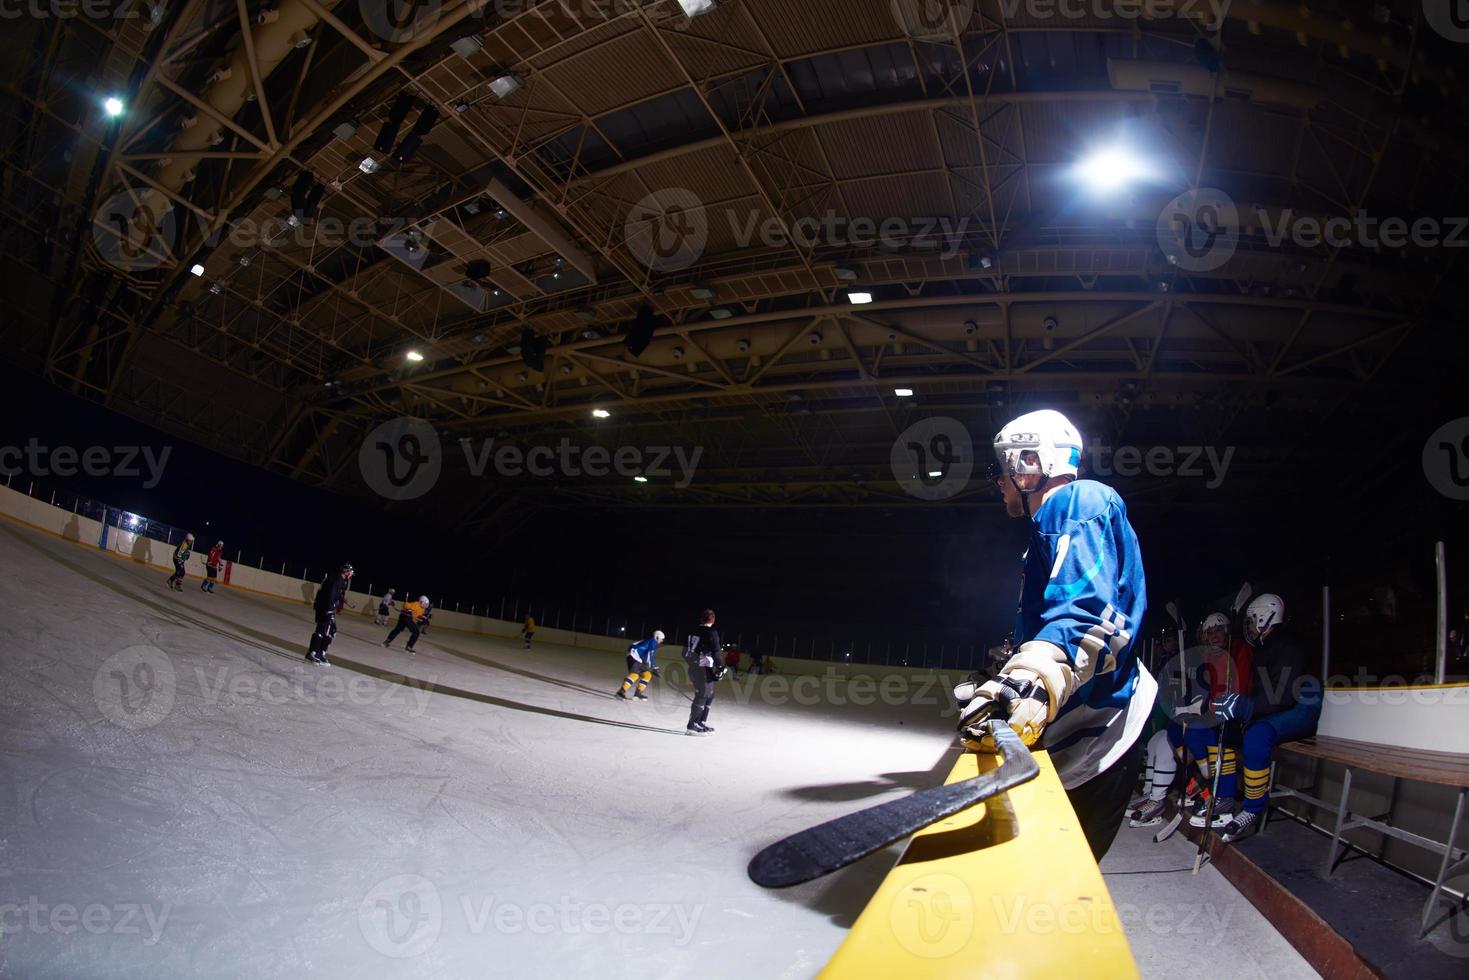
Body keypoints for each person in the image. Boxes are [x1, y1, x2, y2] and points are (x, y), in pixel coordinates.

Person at [954, 409, 1155, 860]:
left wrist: (1029, 681)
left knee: (1050, 884)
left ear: (1030, 463)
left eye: (1001, 467)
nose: (998, 480)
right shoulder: (1053, 526)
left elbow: (1087, 616)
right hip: (1086, 729)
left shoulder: (1077, 502)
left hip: (1099, 733)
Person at [1192, 594, 1322, 843]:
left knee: (1256, 735)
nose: (1250, 627)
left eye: (1252, 621)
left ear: (1265, 617)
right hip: (1278, 707)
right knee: (1226, 731)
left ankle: (1253, 808)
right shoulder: (1263, 647)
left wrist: (1245, 705)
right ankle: (1225, 796)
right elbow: (1263, 692)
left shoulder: (1288, 644)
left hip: (1301, 707)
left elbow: (1283, 695)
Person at [682, 609, 723, 735]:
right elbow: (716, 651)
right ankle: (692, 725)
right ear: (713, 620)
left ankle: (700, 722)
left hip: (696, 667)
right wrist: (720, 666)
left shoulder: (693, 630)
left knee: (709, 694)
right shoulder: (711, 632)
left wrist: (692, 663)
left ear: (701, 619)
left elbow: (684, 652)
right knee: (703, 694)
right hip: (702, 666)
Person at [306, 562, 354, 666]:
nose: (351, 575)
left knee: (332, 631)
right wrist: (329, 609)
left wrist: (341, 598)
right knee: (322, 631)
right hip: (325, 608)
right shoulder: (337, 580)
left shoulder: (338, 579)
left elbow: (333, 592)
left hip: (326, 607)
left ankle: (320, 653)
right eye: (350, 572)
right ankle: (312, 654)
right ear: (345, 571)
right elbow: (330, 593)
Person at [616, 631, 666, 700]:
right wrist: (654, 667)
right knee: (635, 675)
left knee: (647, 674)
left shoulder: (651, 641)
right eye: (661, 639)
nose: (662, 641)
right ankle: (621, 692)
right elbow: (649, 655)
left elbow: (645, 654)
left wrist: (650, 666)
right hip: (633, 655)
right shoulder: (653, 642)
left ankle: (638, 693)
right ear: (657, 637)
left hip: (637, 657)